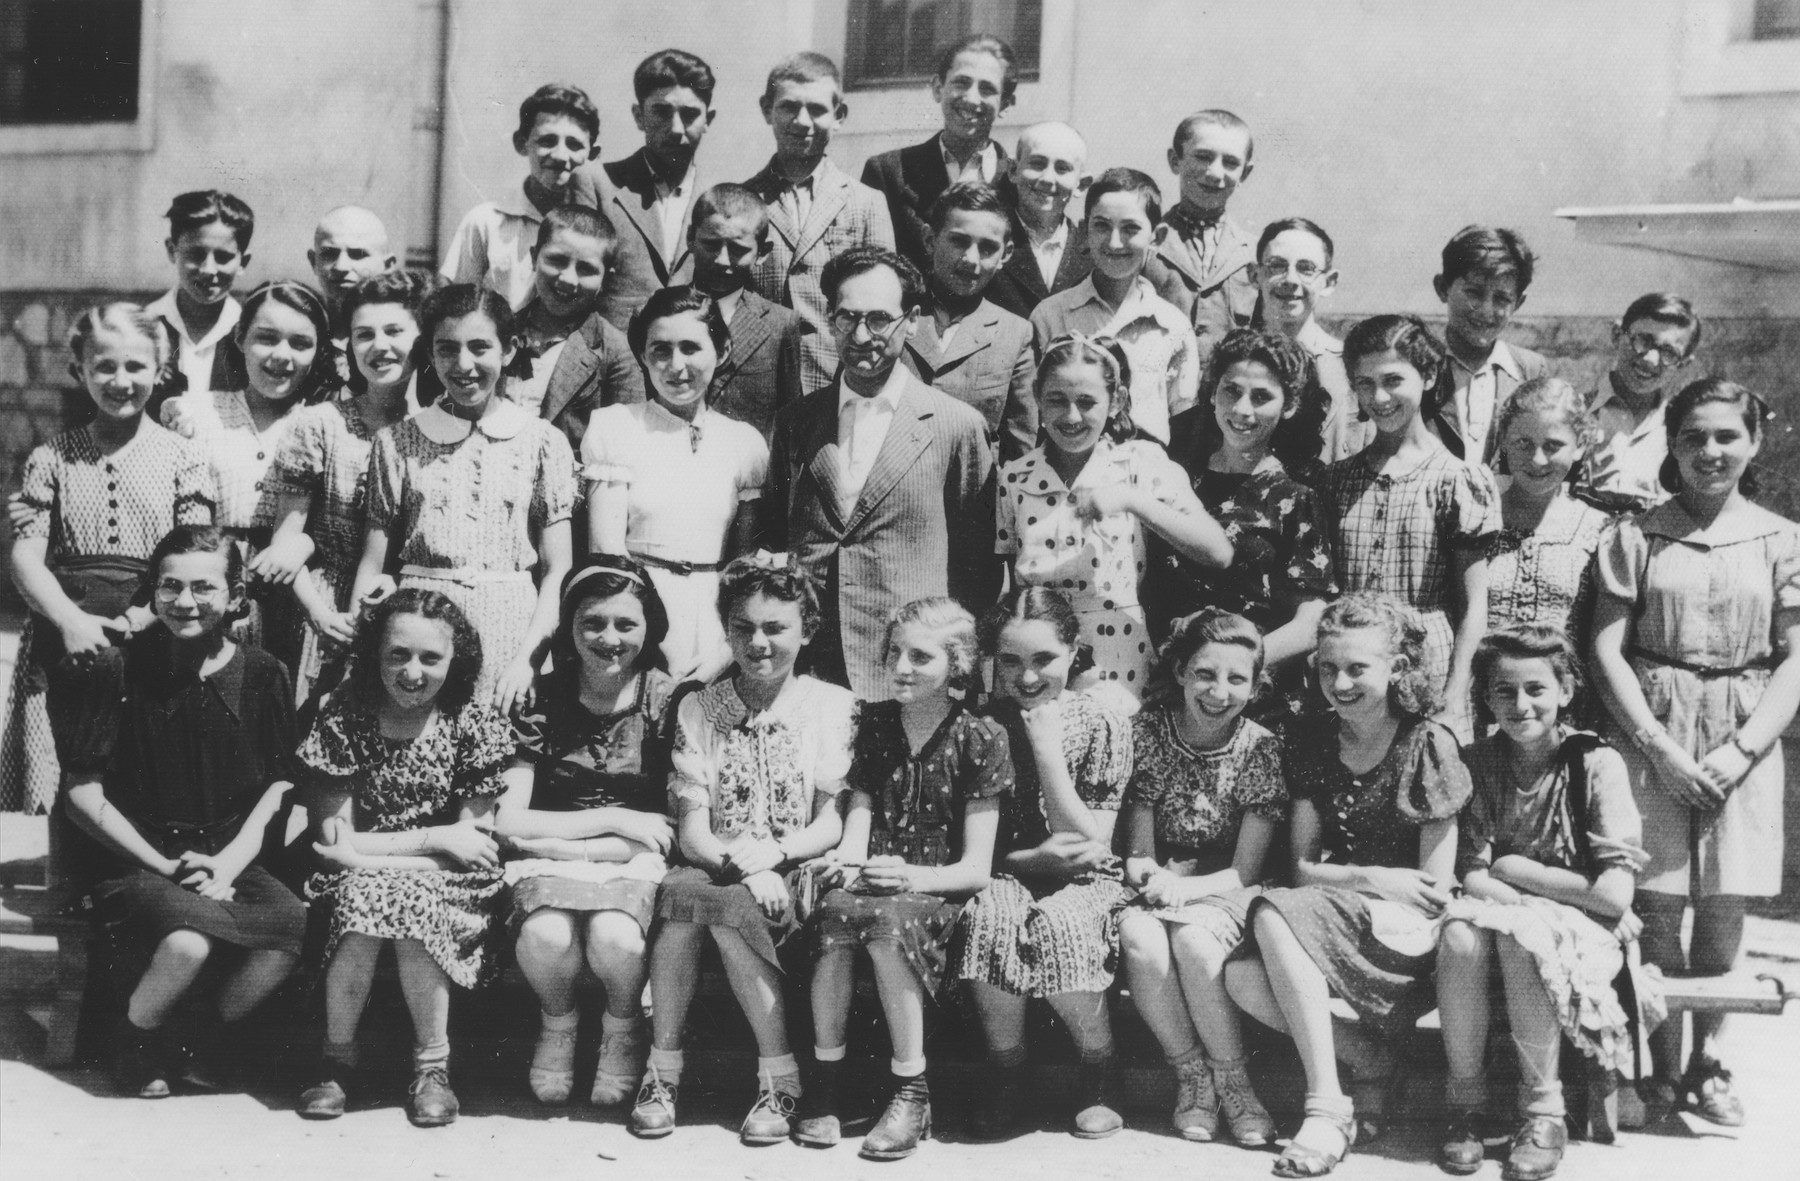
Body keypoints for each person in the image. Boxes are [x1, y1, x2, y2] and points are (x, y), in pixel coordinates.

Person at [1591, 377, 1800, 1128]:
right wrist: (1656, 745)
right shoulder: (1634, 534)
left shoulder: (1783, 539)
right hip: (1652, 730)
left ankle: (1709, 1062)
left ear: (1754, 441)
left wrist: (1742, 750)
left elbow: (1796, 658)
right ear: (1671, 446)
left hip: (1743, 734)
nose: (1709, 452)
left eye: (1725, 437)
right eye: (1692, 438)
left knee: (1722, 905)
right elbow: (1606, 649)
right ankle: (1660, 1062)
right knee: (1654, 904)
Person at [50, 525, 303, 1098]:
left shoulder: (266, 673)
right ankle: (135, 1038)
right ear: (153, 592)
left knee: (291, 929)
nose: (184, 602)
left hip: (227, 857)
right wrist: (165, 868)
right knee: (188, 939)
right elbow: (82, 796)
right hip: (135, 858)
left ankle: (196, 1040)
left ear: (237, 597)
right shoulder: (118, 667)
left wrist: (234, 862)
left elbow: (282, 782)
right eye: (169, 587)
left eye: (203, 588)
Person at [1223, 594, 1471, 1178]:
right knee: (1240, 976)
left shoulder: (1427, 743)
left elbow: (1433, 886)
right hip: (1346, 904)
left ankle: (1327, 1109)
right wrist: (1372, 876)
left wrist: (1363, 884)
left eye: (1358, 668)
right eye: (1329, 668)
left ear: (1398, 668)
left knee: (1273, 915)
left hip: (1412, 931)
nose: (1341, 682)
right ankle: (1366, 1055)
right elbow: (1303, 866)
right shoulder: (1313, 740)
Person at [633, 555, 854, 1145]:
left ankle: (779, 1076)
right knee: (681, 898)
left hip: (797, 867)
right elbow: (693, 833)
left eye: (775, 628)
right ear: (726, 630)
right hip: (719, 865)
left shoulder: (832, 706)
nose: (758, 643)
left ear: (807, 630)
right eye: (742, 628)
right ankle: (662, 1071)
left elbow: (830, 822)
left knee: (727, 912)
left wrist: (773, 856)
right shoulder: (699, 707)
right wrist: (739, 866)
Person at [795, 597, 1011, 1159]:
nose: (901, 667)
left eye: (920, 656)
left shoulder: (981, 737)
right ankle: (827, 1081)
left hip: (935, 890)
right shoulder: (877, 723)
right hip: (874, 883)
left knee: (887, 925)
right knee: (835, 913)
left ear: (957, 664)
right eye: (895, 652)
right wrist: (849, 858)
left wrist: (909, 875)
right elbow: (859, 817)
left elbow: (975, 871)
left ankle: (910, 1088)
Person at [1435, 624, 1645, 1181]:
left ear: (1566, 691)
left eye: (1536, 689)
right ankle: (1467, 1106)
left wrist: (1516, 869)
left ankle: (1542, 1111)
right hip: (1512, 911)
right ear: (1486, 697)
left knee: (1520, 937)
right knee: (1459, 934)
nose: (1521, 705)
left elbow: (1615, 893)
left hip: (1581, 930)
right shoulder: (1477, 762)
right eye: (1505, 692)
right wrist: (1516, 882)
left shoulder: (1595, 763)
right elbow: (1475, 874)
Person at [296, 590, 511, 1127]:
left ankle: (432, 1068)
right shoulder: (345, 717)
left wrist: (373, 854)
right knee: (371, 897)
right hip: (356, 879)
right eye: (398, 655)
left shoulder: (472, 724)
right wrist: (436, 836)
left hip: (450, 884)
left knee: (407, 901)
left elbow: (472, 851)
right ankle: (336, 1059)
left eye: (430, 658)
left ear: (454, 661)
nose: (413, 672)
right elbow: (332, 841)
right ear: (374, 654)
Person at [3, 305, 214, 815]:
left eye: (137, 367)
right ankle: (67, 880)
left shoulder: (183, 458)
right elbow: (26, 557)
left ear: (160, 372)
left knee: (139, 763)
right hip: (66, 634)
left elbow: (191, 552)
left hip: (154, 627)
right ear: (79, 372)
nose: (121, 380)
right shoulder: (52, 457)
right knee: (63, 755)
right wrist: (71, 621)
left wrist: (139, 618)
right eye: (105, 366)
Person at [762, 246, 993, 701]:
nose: (862, 335)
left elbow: (978, 566)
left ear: (912, 319)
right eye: (847, 318)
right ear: (829, 318)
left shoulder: (956, 426)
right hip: (811, 664)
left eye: (880, 319)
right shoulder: (796, 422)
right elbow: (775, 533)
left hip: (907, 667)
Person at [952, 587, 1135, 1140]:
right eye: (1010, 661)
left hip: (1085, 873)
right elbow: (972, 846)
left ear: (1074, 649)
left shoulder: (1103, 720)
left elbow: (1091, 840)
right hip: (1007, 866)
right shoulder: (979, 724)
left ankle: (1099, 1067)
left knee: (1063, 922)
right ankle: (1007, 1068)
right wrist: (1032, 859)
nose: (1026, 677)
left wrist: (1049, 751)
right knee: (990, 917)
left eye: (1043, 660)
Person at [495, 557, 678, 1107]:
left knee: (616, 939)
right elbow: (509, 821)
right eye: (592, 622)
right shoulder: (542, 699)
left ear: (649, 630)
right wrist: (615, 818)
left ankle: (623, 1030)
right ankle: (559, 1026)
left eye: (626, 624)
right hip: (561, 854)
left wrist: (553, 840)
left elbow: (664, 832)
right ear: (568, 627)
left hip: (625, 860)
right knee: (546, 937)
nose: (609, 638)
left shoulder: (668, 700)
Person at [353, 284, 577, 713]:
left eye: (479, 347)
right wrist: (360, 655)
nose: (464, 365)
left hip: (510, 633)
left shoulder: (543, 442)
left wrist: (528, 659)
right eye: (447, 349)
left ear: (509, 350)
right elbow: (372, 562)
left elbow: (557, 569)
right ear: (431, 354)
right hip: (418, 636)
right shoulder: (396, 441)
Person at [1116, 609, 1283, 1144]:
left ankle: (1234, 1079)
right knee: (1139, 936)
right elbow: (1138, 852)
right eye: (1205, 674)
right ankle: (1191, 1074)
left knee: (1192, 940)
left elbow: (1244, 870)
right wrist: (1149, 875)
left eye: (1237, 679)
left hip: (1223, 885)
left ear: (1255, 687)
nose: (1219, 691)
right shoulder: (1147, 733)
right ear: (1182, 671)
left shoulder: (1261, 747)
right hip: (1158, 877)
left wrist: (1185, 888)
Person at [997, 334, 1230, 701]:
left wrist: (1132, 500)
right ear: (1038, 396)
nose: (1071, 416)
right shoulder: (1014, 477)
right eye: (1057, 400)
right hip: (1036, 662)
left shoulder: (1139, 463)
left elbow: (1217, 551)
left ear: (1116, 401)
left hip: (1117, 658)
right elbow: (1004, 582)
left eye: (1087, 402)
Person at [250, 272, 435, 705]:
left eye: (393, 331)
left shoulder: (438, 429)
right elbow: (285, 542)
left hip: (417, 615)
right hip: (328, 613)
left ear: (421, 338)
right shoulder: (320, 424)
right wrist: (320, 616)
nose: (379, 346)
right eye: (363, 334)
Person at [1319, 314, 1499, 738]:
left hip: (1428, 671)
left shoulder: (1457, 480)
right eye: (1365, 383)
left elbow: (1473, 606)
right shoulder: (1335, 480)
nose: (1379, 396)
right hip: (1349, 674)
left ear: (1429, 374)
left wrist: (1455, 697)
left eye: (1393, 380)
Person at [586, 286, 767, 682]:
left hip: (719, 626)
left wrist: (726, 645)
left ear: (722, 351)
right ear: (642, 356)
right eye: (661, 350)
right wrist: (652, 638)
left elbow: (743, 565)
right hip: (635, 619)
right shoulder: (616, 428)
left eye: (690, 348)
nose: (676, 365)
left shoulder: (745, 444)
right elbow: (607, 552)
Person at [1157, 328, 1335, 722]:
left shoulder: (1296, 497)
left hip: (1257, 702)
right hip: (1173, 694)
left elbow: (1310, 622)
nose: (1242, 410)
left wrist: (1235, 670)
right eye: (1231, 391)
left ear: (1288, 406)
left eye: (1261, 397)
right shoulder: (1177, 482)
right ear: (1211, 393)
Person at [196, 281, 345, 668]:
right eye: (266, 338)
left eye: (300, 343)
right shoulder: (198, 415)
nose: (282, 356)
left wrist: (304, 543)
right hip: (211, 592)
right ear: (240, 337)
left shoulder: (329, 424)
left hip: (297, 599)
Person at [742, 52, 897, 392]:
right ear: (767, 109)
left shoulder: (867, 202)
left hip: (839, 381)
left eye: (816, 109)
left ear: (839, 115)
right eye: (788, 106)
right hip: (759, 382)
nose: (801, 121)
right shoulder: (742, 201)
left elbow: (883, 302)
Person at [1029, 168, 1200, 445]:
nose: (1114, 242)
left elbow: (1184, 419)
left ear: (1156, 237)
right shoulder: (1050, 316)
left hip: (1146, 480)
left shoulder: (1173, 326)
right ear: (1084, 231)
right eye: (1102, 226)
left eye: (1130, 228)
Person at [901, 181, 1037, 463]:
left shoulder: (1014, 333)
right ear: (929, 240)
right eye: (959, 241)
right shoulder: (892, 314)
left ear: (1006, 254)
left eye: (987, 248)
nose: (971, 259)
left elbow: (1020, 446)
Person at [861, 33, 1017, 278]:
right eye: (961, 82)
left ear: (1006, 103)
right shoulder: (888, 173)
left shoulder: (1017, 181)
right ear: (937, 88)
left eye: (987, 88)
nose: (971, 98)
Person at [441, 83, 606, 313]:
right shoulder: (485, 222)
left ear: (592, 155)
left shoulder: (601, 229)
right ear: (522, 143)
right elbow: (458, 305)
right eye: (547, 141)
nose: (560, 156)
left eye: (574, 145)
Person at [1485, 378, 1612, 652]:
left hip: (1561, 689)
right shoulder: (1479, 514)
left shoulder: (1597, 529)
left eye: (1553, 445)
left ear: (1580, 445)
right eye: (1523, 443)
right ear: (1504, 441)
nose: (1538, 459)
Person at [509, 204, 644, 452]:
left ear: (606, 279)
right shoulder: (499, 331)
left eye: (586, 269)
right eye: (557, 260)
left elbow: (624, 448)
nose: (568, 279)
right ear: (533, 257)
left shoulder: (617, 353)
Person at [599, 49, 719, 324]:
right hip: (613, 357)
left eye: (689, 114)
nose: (676, 128)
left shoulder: (719, 198)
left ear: (707, 120)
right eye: (662, 112)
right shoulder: (600, 184)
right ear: (639, 116)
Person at [685, 183, 809, 439]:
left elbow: (789, 418)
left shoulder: (781, 324)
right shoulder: (656, 315)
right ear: (690, 239)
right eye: (710, 244)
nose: (721, 260)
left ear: (762, 253)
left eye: (738, 250)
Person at [1148, 110, 1260, 370]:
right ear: (1175, 160)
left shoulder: (1255, 254)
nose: (1214, 173)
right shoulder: (1145, 243)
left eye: (1231, 162)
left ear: (1245, 173)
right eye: (1203, 157)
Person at [1428, 226, 1549, 465]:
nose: (1486, 311)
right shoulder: (1420, 365)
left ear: (1518, 303)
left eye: (1502, 299)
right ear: (1443, 288)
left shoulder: (1531, 371)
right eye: (1474, 292)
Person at [1574, 293, 1702, 514]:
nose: (1650, 360)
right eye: (1643, 341)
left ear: (1683, 364)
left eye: (1668, 353)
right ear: (1617, 335)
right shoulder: (1573, 412)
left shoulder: (1682, 431)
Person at [1251, 217, 1363, 461]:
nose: (1290, 280)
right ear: (1254, 275)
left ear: (1329, 282)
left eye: (1306, 268)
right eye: (1277, 265)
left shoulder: (1352, 366)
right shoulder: (1233, 363)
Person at [144, 191, 252, 425]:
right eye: (196, 254)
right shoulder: (144, 326)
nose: (208, 269)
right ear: (172, 250)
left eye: (223, 257)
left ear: (243, 262)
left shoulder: (250, 334)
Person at [985, 121, 1093, 321]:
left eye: (1062, 168)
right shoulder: (987, 242)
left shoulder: (1093, 253)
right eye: (1037, 164)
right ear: (1013, 170)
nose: (1047, 178)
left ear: (1081, 185)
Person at [307, 205, 400, 341]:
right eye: (329, 254)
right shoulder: (297, 334)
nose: (340, 266)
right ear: (313, 261)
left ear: (388, 266)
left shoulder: (409, 336)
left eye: (358, 254)